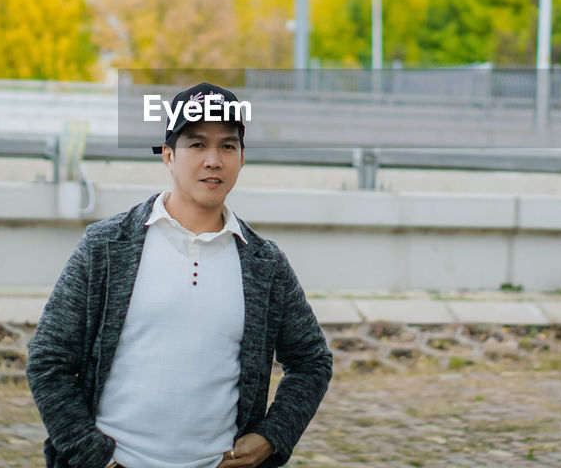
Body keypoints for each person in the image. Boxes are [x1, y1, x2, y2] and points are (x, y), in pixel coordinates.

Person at [27, 82, 333, 468]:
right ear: (168, 156)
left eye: (227, 145)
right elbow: (47, 361)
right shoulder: (106, 246)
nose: (213, 159)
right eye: (197, 144)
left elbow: (312, 361)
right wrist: (95, 458)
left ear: (242, 158)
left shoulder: (264, 264)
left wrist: (272, 436)